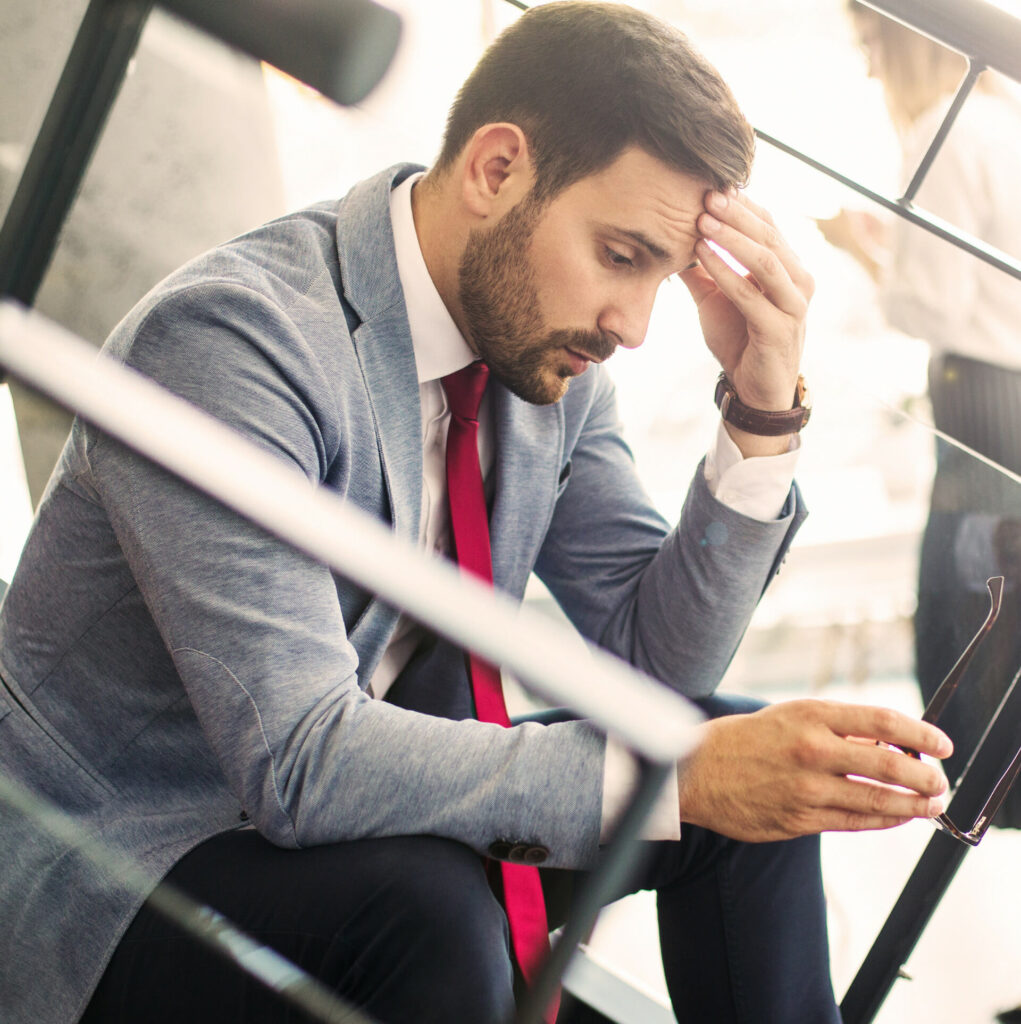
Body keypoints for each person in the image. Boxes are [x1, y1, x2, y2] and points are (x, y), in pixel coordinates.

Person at [0, 4, 952, 1023]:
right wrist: (677, 781)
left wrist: (762, 413)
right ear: (496, 170)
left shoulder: (545, 359)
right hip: (128, 860)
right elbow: (299, 758)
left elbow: (651, 673)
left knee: (747, 772)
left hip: (356, 815)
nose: (632, 327)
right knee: (436, 911)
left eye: (663, 279)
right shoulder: (233, 342)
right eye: (622, 256)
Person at [816, 2, 1021, 830]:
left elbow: (927, 304)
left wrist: (860, 249)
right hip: (1008, 407)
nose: (869, 69)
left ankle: (971, 811)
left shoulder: (942, 129)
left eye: (871, 43)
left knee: (964, 622)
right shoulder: (1005, 121)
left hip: (980, 414)